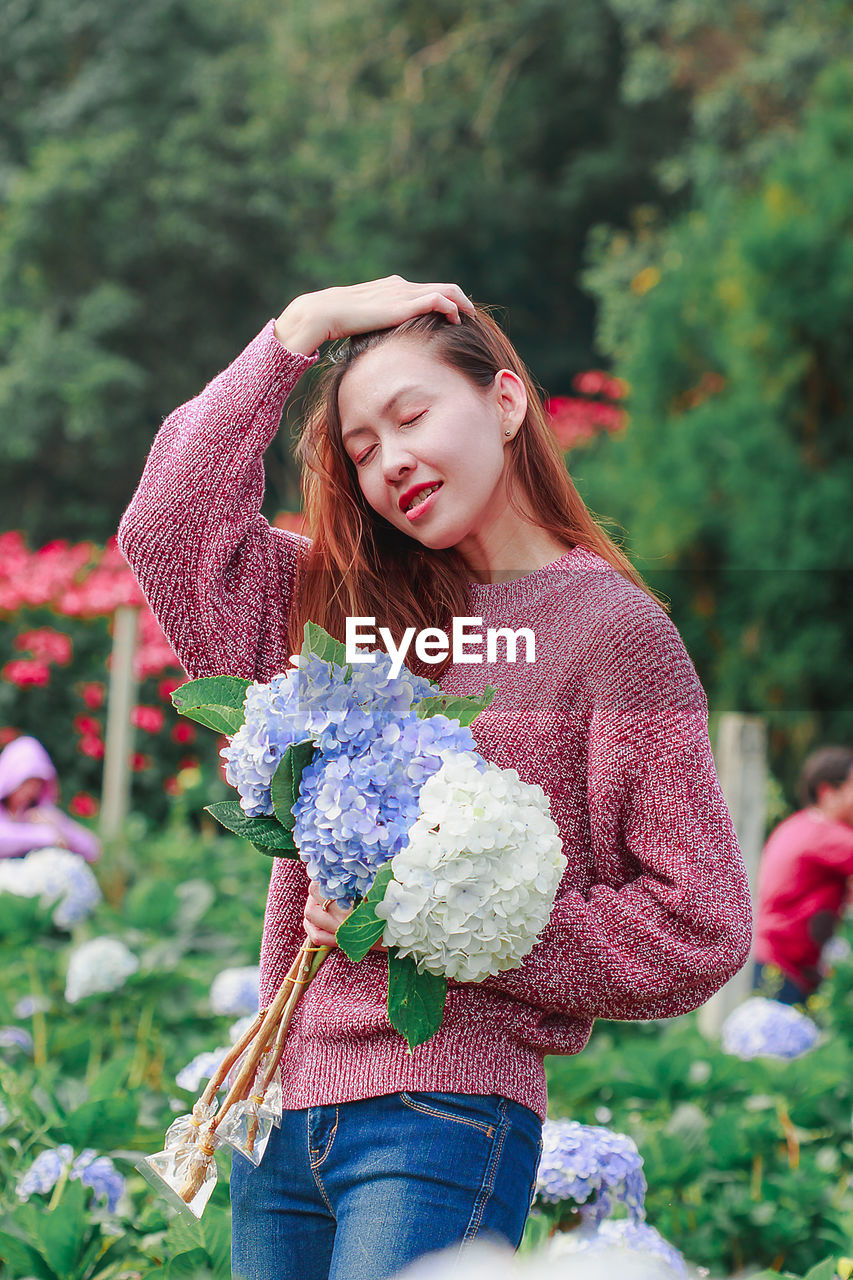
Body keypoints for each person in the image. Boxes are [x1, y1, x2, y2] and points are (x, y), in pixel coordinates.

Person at [117, 276, 752, 1280]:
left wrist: (435, 914)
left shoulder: (614, 636)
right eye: (361, 451)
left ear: (506, 402)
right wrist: (302, 327)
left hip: (442, 1116)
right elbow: (168, 530)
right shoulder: (334, 603)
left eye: (411, 416)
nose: (390, 461)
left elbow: (695, 923)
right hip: (278, 1116)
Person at [753, 745, 853, 1005]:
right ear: (827, 793)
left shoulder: (797, 826)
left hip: (771, 963)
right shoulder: (824, 835)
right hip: (780, 969)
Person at [0, 734, 101, 863]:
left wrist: (57, 825)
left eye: (37, 783)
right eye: (26, 781)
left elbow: (93, 848)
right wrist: (45, 835)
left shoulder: (40, 813)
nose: (31, 790)